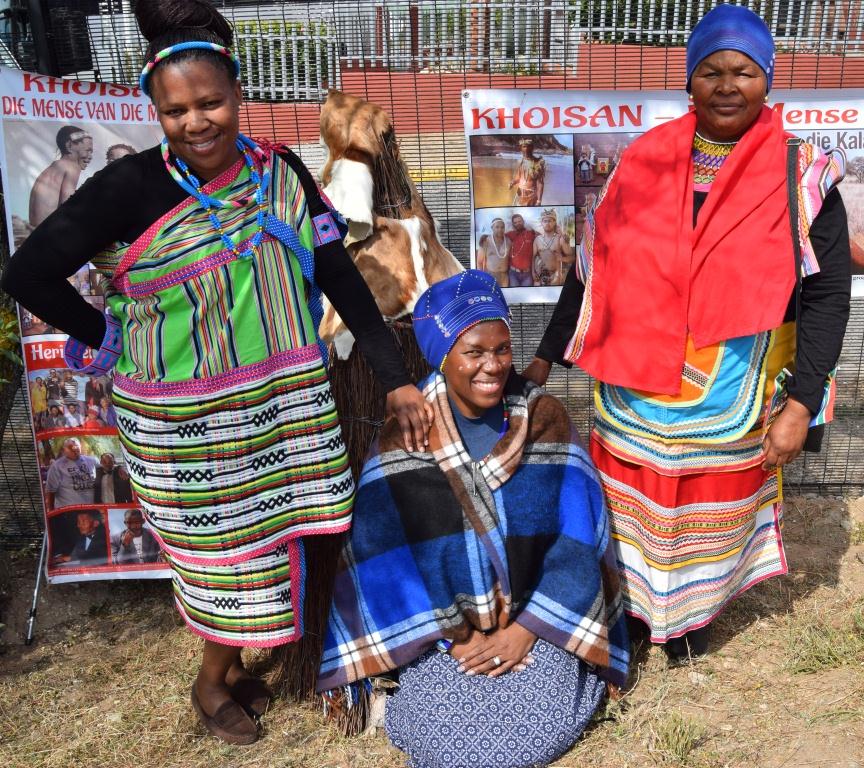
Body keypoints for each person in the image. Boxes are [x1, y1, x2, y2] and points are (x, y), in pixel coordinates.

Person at [1, 0, 432, 746]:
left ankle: (234, 666)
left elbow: (343, 281)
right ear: (155, 113)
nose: (196, 122)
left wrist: (395, 377)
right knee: (221, 560)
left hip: (282, 408)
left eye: (211, 102)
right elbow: (29, 272)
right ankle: (210, 684)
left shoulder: (281, 174)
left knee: (269, 549)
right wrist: (106, 337)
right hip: (182, 425)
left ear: (238, 94)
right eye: (175, 112)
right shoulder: (126, 189)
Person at [523, 3, 851, 662]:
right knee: (634, 503)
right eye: (711, 71)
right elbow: (593, 264)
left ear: (768, 80)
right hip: (635, 387)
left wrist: (802, 401)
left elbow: (826, 297)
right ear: (688, 82)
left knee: (710, 507)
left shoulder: (801, 175)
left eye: (744, 71)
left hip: (732, 390)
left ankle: (694, 619)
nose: (728, 85)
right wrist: (543, 357)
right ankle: (641, 613)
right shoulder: (643, 161)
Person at [319, 270, 629, 768]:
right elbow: (387, 563)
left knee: (524, 736)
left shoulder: (545, 418)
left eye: (503, 349)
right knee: (439, 738)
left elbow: (575, 541)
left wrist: (525, 629)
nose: (493, 366)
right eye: (474, 352)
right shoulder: (405, 440)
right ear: (443, 356)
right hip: (444, 637)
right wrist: (457, 638)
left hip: (542, 625)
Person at [29, 126, 94, 228]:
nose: (90, 156)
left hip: (36, 235)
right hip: (49, 235)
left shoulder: (54, 168)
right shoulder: (72, 167)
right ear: (69, 146)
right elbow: (68, 208)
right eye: (87, 150)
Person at [45, 438, 98, 511]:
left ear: (80, 447)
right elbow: (50, 492)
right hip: (68, 512)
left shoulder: (92, 461)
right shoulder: (57, 467)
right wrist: (51, 513)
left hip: (90, 510)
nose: (74, 449)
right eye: (70, 447)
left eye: (76, 446)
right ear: (64, 450)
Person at [532, 208, 572, 286]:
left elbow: (572, 258)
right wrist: (533, 272)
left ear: (554, 222)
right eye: (545, 221)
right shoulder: (537, 240)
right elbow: (533, 258)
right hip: (540, 276)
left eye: (550, 221)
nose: (547, 223)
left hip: (555, 277)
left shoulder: (561, 239)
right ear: (541, 223)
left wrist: (562, 258)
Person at [508, 138, 545, 206]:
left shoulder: (538, 163)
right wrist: (513, 182)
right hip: (520, 193)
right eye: (524, 146)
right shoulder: (520, 162)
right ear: (521, 148)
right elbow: (518, 177)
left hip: (531, 194)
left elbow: (540, 183)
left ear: (532, 148)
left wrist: (539, 200)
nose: (526, 149)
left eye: (529, 146)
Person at [476, 216, 509, 287]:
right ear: (492, 228)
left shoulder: (508, 242)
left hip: (504, 276)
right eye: (497, 227)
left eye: (502, 227)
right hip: (491, 276)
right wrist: (482, 277)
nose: (500, 229)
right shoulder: (486, 241)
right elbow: (479, 262)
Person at [505, 213, 535, 288]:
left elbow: (543, 236)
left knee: (526, 297)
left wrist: (559, 233)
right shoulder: (510, 234)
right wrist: (485, 237)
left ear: (523, 221)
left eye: (519, 221)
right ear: (513, 224)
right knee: (514, 296)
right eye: (515, 222)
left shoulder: (531, 233)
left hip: (527, 274)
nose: (518, 223)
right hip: (513, 274)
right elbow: (497, 235)